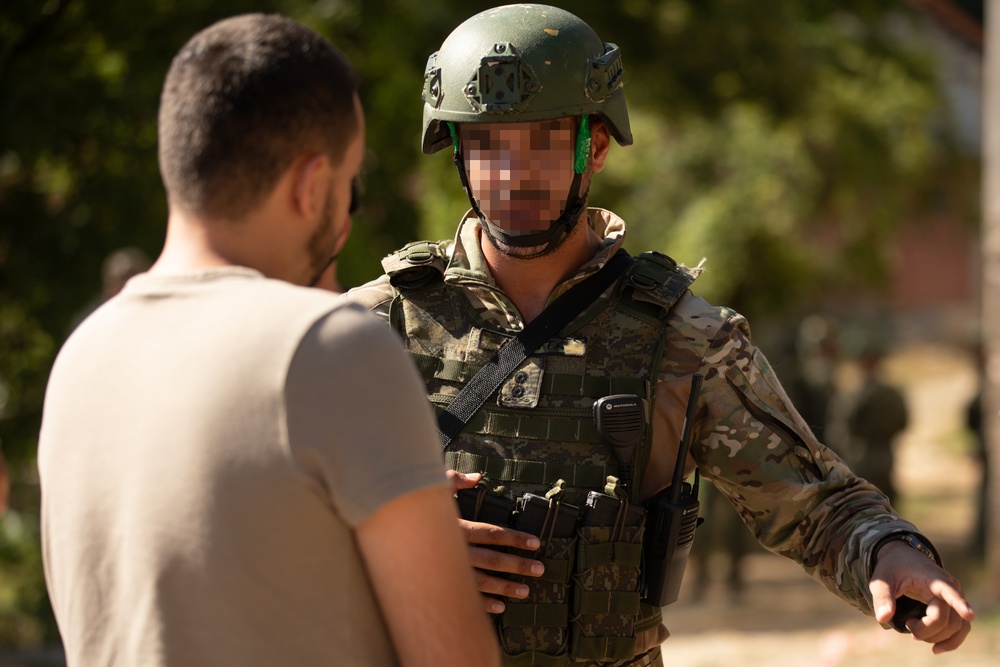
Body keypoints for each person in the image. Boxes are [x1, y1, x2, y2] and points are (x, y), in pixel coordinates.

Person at [345, 5, 975, 666]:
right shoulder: (370, 326)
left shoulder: (682, 337)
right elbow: (264, 511)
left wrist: (894, 554)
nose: (513, 173)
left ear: (599, 147)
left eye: (547, 141)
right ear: (458, 152)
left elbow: (816, 505)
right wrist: (394, 549)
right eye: (489, 144)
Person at [37, 14, 497, 667]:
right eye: (351, 186)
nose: (347, 213)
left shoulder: (81, 357)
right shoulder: (331, 347)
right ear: (312, 187)